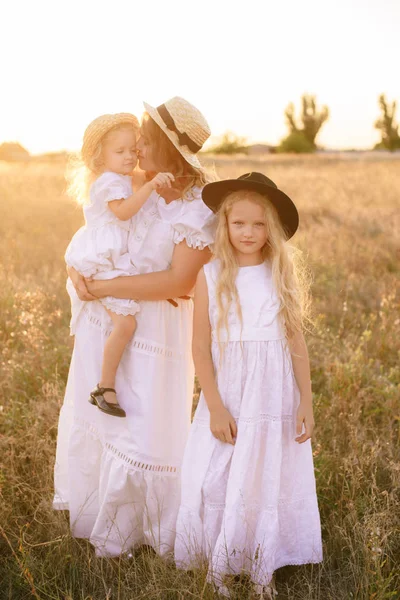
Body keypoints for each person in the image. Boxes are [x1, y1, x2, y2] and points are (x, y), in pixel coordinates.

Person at [53, 97, 217, 558]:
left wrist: (105, 287)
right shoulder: (134, 180)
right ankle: (96, 515)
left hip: (156, 329)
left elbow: (179, 281)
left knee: (143, 426)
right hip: (107, 320)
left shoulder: (199, 207)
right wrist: (78, 273)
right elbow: (99, 231)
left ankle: (141, 528)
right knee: (105, 420)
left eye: (146, 137)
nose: (138, 144)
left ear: (168, 147)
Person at [175, 172, 323, 597]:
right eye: (239, 223)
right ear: (224, 224)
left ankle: (264, 562)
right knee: (220, 472)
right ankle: (221, 564)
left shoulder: (280, 273)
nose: (248, 232)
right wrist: (216, 406)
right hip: (231, 392)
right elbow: (200, 348)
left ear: (270, 229)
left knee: (266, 473)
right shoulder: (210, 274)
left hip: (274, 394)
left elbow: (296, 341)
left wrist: (306, 401)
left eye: (258, 224)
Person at [65, 112, 175, 417]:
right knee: (126, 323)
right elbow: (124, 212)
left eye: (133, 149)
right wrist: (151, 186)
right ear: (101, 158)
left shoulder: (122, 177)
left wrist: (151, 180)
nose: (130, 157)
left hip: (110, 257)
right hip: (102, 260)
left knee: (124, 323)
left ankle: (106, 384)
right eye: (120, 151)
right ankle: (104, 386)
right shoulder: (108, 183)